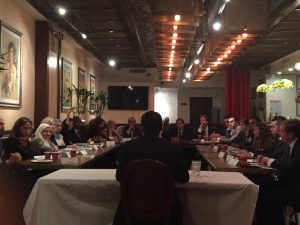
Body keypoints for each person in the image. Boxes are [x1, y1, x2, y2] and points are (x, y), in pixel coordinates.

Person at [114, 111, 189, 225]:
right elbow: (184, 178)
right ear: (161, 128)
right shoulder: (172, 149)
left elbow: (119, 176)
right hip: (166, 211)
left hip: (133, 209)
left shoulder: (128, 148)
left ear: (142, 128)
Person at [255, 119, 300, 225]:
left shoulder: (298, 147)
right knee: (258, 188)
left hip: (295, 188)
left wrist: (268, 161)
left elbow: (289, 166)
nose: (279, 133)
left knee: (265, 198)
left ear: (290, 134)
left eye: (282, 131)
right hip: (288, 183)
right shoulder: (290, 145)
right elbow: (283, 161)